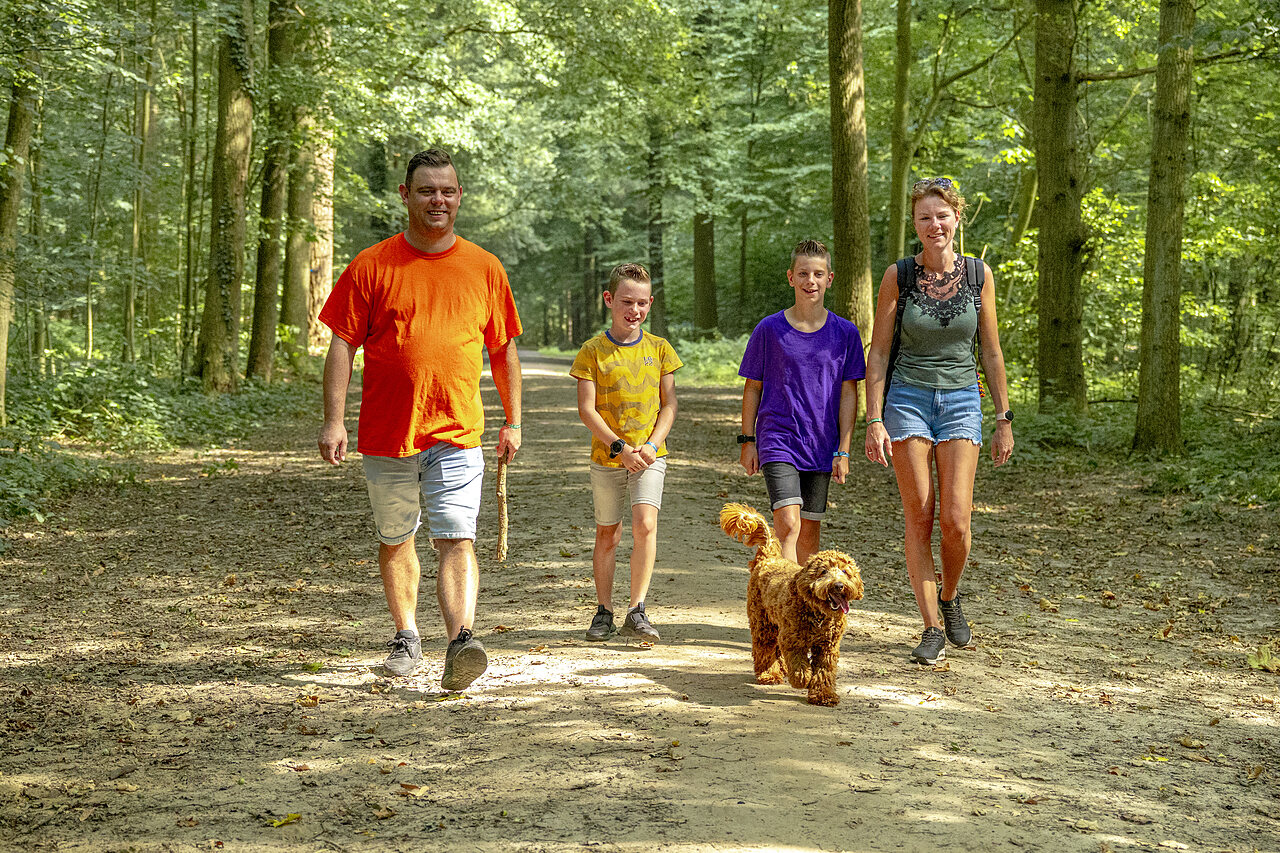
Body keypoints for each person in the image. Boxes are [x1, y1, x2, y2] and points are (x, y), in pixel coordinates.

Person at [317, 148, 523, 690]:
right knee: (396, 536)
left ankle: (461, 642)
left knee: (456, 537)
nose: (439, 200)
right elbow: (341, 343)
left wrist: (513, 420)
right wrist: (334, 420)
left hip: (457, 431)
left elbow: (502, 351)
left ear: (459, 197)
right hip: (386, 433)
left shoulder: (483, 267)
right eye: (427, 190)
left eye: (448, 191)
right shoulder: (372, 265)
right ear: (406, 196)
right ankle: (407, 634)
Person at [863, 177, 1014, 666]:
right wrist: (874, 418)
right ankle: (930, 626)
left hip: (962, 399)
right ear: (915, 224)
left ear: (957, 219)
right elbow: (880, 350)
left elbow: (990, 351)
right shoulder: (898, 276)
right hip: (907, 398)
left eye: (942, 215)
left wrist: (1003, 417)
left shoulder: (978, 275)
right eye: (924, 217)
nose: (934, 225)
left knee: (956, 521)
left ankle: (950, 598)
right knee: (921, 515)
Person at [570, 263, 682, 642]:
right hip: (608, 457)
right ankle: (604, 611)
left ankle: (637, 609)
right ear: (609, 300)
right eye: (626, 302)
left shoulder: (660, 349)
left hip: (651, 455)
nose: (634, 310)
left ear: (650, 303)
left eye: (641, 303)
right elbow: (587, 410)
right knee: (609, 534)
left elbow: (669, 405)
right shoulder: (592, 352)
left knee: (645, 525)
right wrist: (619, 448)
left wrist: (650, 446)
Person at [738, 239, 865, 565]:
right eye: (804, 273)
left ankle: (800, 605)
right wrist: (748, 440)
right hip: (778, 437)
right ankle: (783, 604)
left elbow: (849, 393)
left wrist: (844, 449)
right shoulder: (769, 330)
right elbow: (753, 388)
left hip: (821, 443)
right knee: (788, 525)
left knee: (809, 533)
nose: (811, 281)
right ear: (791, 277)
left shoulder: (846, 334)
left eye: (818, 274)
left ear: (830, 278)